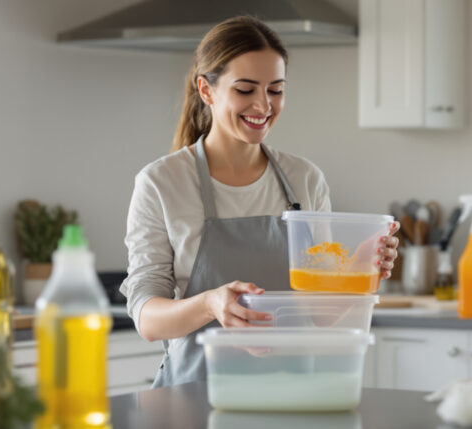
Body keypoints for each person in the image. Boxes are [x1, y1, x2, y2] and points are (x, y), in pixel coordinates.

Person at [120, 16, 400, 388]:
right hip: (193, 400)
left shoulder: (305, 180)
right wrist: (210, 304)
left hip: (292, 395)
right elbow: (147, 319)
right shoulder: (162, 183)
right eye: (246, 89)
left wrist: (361, 270)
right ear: (206, 90)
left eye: (276, 89)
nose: (263, 105)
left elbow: (319, 316)